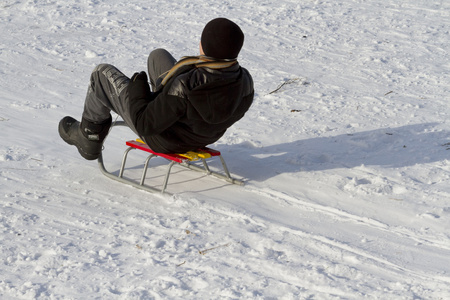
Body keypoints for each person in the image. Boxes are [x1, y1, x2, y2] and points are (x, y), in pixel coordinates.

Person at [58, 18, 254, 160]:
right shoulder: (244, 80)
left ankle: (88, 136)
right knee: (158, 56)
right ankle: (162, 108)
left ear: (203, 47)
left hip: (164, 138)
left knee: (101, 74)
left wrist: (138, 89)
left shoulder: (184, 87)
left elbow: (144, 124)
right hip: (203, 134)